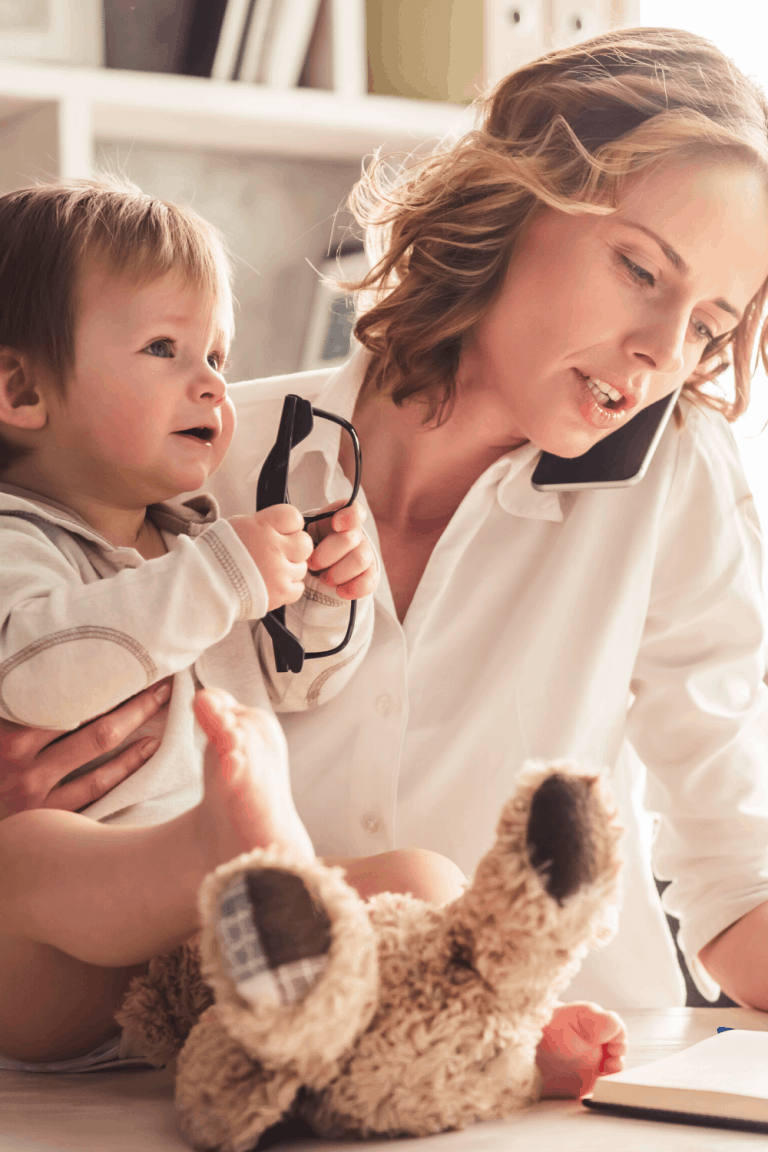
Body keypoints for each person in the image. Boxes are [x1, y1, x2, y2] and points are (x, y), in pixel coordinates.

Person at [7, 20, 768, 1017]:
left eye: (709, 324)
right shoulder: (197, 462)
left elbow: (734, 855)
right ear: (511, 203)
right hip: (235, 1063)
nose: (663, 352)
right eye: (640, 270)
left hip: (558, 1086)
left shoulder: (674, 478)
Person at [0, 178, 625, 1098]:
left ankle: (503, 1031)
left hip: (216, 959)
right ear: (20, 390)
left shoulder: (186, 534)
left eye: (217, 353)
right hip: (58, 978)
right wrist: (223, 577)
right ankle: (219, 851)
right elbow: (36, 680)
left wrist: (324, 608)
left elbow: (289, 690)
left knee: (420, 877)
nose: (211, 382)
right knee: (26, 856)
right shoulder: (20, 536)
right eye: (163, 348)